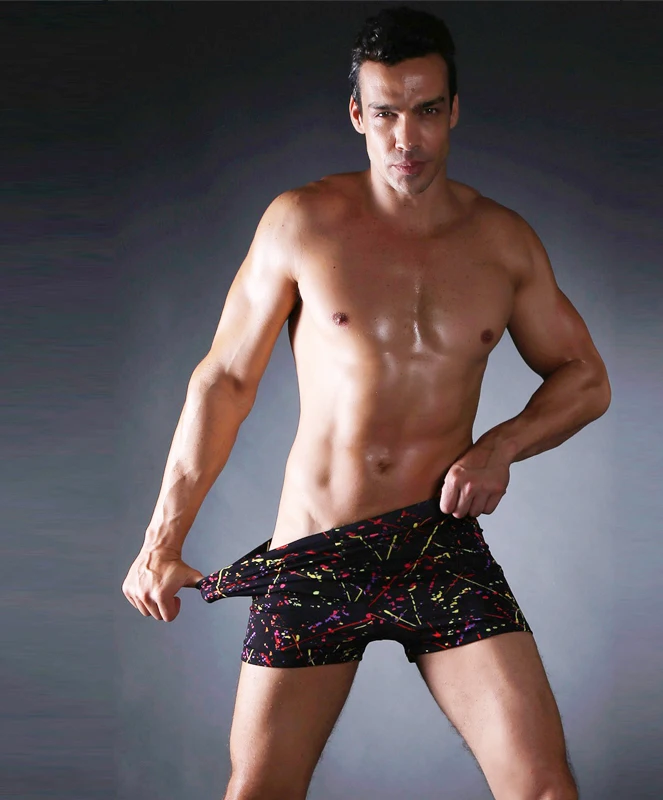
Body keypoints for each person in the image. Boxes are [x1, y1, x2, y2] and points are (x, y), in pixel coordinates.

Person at [122, 6, 610, 800]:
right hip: (318, 552)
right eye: (385, 113)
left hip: (438, 548)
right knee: (261, 791)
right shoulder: (301, 223)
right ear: (357, 113)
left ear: (454, 110)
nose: (406, 138)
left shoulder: (504, 241)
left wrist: (501, 447)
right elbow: (224, 381)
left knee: (545, 789)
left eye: (426, 111)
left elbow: (585, 377)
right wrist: (160, 539)